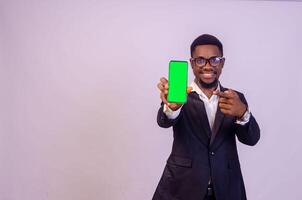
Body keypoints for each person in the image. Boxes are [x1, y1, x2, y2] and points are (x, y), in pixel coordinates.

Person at [153, 34, 260, 200]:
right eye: (201, 60)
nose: (208, 66)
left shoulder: (235, 98)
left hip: (226, 189)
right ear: (192, 63)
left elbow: (251, 139)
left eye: (214, 60)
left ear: (222, 63)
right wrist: (171, 108)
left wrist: (242, 113)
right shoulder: (180, 96)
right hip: (182, 188)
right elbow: (164, 121)